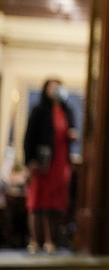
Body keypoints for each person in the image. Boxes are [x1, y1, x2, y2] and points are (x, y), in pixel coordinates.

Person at [23, 78, 77, 254]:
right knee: (38, 202)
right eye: (52, 87)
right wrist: (30, 160)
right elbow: (30, 136)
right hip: (42, 162)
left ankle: (50, 240)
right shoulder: (39, 111)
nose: (56, 90)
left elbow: (71, 131)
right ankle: (34, 240)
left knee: (55, 204)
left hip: (60, 163)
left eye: (58, 87)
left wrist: (72, 136)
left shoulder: (67, 111)